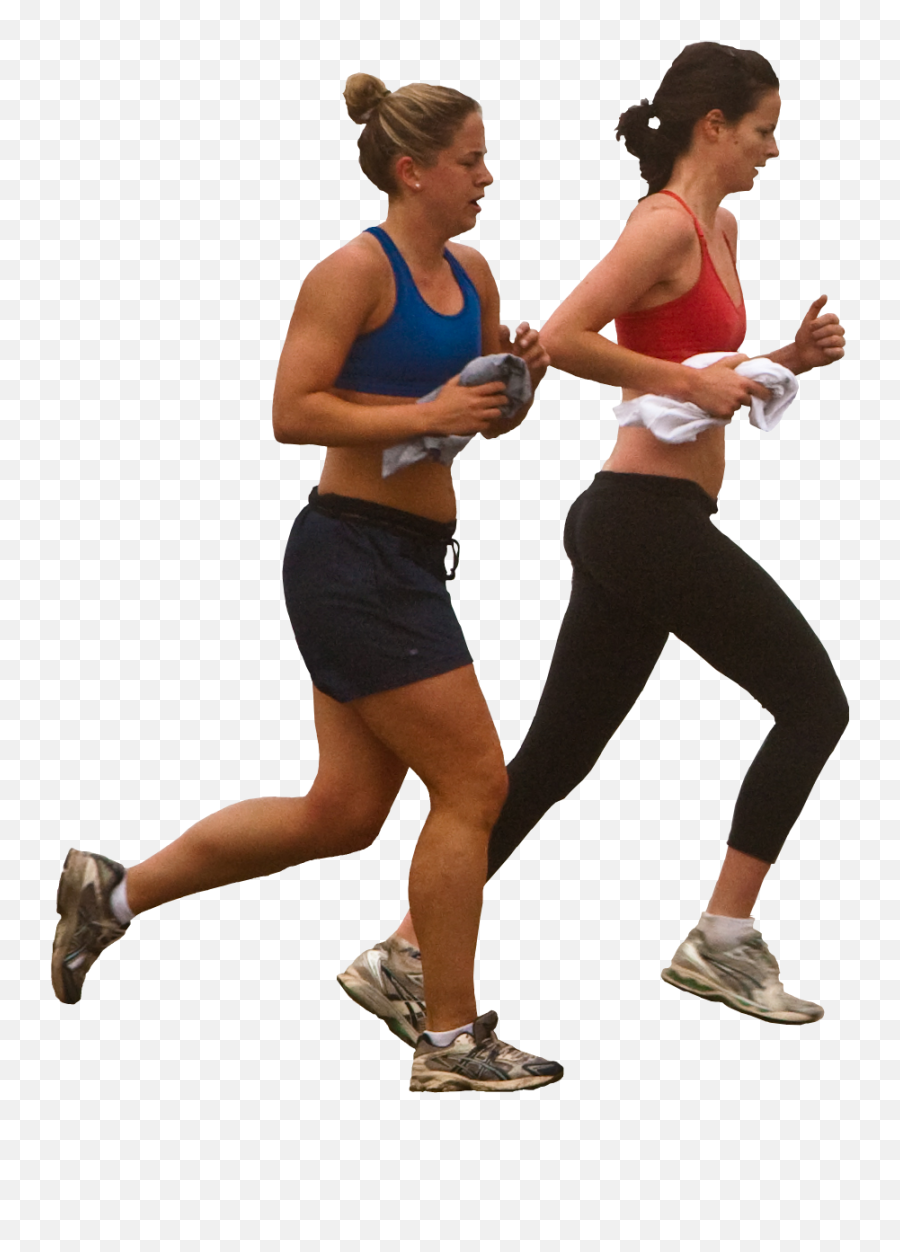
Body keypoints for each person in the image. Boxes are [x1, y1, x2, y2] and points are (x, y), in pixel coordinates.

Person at [51, 73, 563, 1093]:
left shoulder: (475, 277)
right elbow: (294, 409)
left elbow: (465, 427)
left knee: (342, 812)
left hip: (408, 560)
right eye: (470, 160)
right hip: (349, 558)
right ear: (413, 171)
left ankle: (111, 893)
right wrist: (426, 412)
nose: (487, 176)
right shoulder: (350, 273)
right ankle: (448, 1037)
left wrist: (513, 391)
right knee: (475, 783)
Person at [340, 43, 848, 1032]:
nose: (772, 151)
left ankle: (402, 952)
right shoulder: (663, 225)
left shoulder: (722, 227)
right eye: (762, 130)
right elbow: (567, 336)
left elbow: (683, 355)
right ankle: (724, 940)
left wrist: (781, 360)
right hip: (639, 521)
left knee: (556, 757)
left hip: (645, 524)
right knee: (814, 701)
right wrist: (692, 385)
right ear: (714, 126)